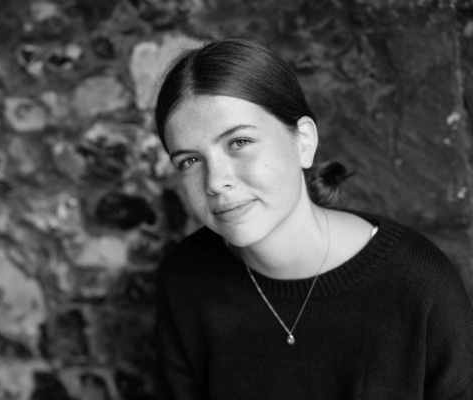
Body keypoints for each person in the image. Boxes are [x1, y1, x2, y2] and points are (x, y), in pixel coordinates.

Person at [154, 37, 473, 399]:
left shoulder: (418, 286)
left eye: (239, 142)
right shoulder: (184, 280)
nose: (215, 182)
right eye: (190, 161)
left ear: (303, 141)